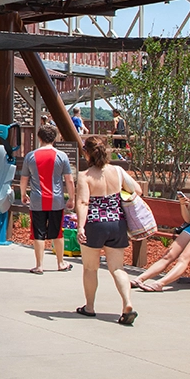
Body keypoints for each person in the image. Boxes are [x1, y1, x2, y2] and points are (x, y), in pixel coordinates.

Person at [74, 137, 138, 325]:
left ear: (86, 153)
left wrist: (80, 226)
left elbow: (83, 202)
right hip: (117, 223)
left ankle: (90, 306)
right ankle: (127, 303)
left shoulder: (85, 176)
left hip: (94, 223)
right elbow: (136, 191)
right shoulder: (118, 171)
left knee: (90, 267)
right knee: (118, 268)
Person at [133, 164, 190, 292]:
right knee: (168, 255)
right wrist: (183, 205)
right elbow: (188, 218)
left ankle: (160, 283)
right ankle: (140, 279)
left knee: (184, 258)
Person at [19, 125, 75, 274]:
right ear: (55, 138)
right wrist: (71, 198)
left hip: (37, 200)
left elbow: (24, 178)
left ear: (39, 138)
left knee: (38, 233)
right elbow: (69, 180)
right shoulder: (61, 156)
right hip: (56, 199)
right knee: (57, 232)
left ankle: (39, 265)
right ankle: (61, 263)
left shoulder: (30, 156)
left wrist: (23, 194)